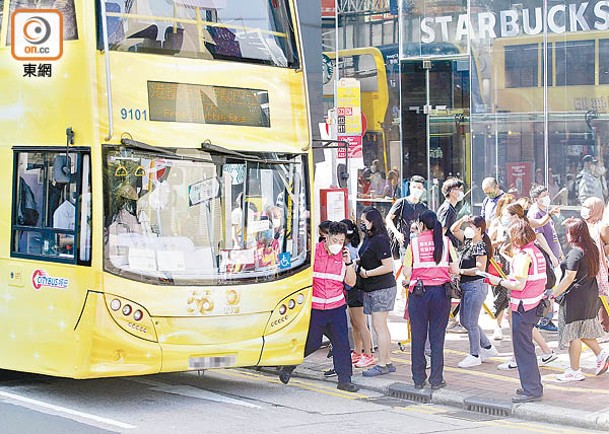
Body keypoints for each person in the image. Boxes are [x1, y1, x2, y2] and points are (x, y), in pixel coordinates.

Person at [278, 222, 360, 392]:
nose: (338, 244)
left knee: (342, 344)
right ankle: (288, 366)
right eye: (335, 240)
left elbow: (351, 282)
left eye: (341, 241)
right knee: (312, 343)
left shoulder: (344, 256)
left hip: (336, 307)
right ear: (327, 237)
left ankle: (345, 380)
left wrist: (348, 263)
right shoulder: (313, 252)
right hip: (315, 308)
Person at [486, 220, 546, 403]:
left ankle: (531, 389)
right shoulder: (536, 252)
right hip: (534, 304)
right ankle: (533, 386)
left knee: (523, 349)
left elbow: (518, 284)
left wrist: (498, 282)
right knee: (527, 347)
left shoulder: (523, 255)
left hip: (522, 306)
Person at [496, 202, 557, 370]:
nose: (505, 218)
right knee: (523, 324)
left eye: (507, 215)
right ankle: (545, 351)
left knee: (519, 323)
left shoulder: (523, 235)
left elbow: (520, 279)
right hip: (527, 286)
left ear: (515, 216)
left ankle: (519, 358)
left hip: (523, 290)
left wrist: (499, 281)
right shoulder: (522, 236)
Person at [403, 210, 458, 389]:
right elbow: (455, 270)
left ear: (421, 225)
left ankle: (418, 379)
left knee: (418, 337)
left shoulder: (414, 243)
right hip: (441, 294)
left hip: (419, 294)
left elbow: (407, 272)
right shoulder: (446, 242)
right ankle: (436, 379)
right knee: (437, 337)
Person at [551, 218, 609, 381]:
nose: (566, 235)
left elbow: (568, 278)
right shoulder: (592, 248)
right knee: (582, 331)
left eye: (568, 232)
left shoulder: (576, 253)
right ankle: (601, 354)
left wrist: (553, 294)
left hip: (576, 298)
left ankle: (574, 371)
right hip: (590, 293)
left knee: (574, 334)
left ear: (574, 235)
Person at [450, 215, 498, 368]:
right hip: (468, 287)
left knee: (470, 322)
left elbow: (479, 269)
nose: (467, 229)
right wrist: (463, 219)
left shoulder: (480, 246)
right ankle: (488, 348)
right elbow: (453, 229)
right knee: (465, 320)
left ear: (479, 229)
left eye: (471, 226)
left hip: (475, 286)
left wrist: (460, 271)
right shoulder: (470, 241)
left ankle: (474, 354)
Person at [357, 207, 397, 376]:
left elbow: (388, 267)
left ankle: (382, 364)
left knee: (379, 326)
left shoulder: (380, 240)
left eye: (364, 221)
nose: (361, 224)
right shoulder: (370, 238)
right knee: (380, 326)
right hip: (373, 288)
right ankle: (386, 361)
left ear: (372, 222)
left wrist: (367, 273)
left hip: (381, 288)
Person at [567, 198, 609, 332]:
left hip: (598, 265)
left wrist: (594, 250)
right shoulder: (584, 224)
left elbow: (607, 245)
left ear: (596, 209)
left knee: (601, 297)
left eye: (588, 207)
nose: (584, 209)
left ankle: (605, 327)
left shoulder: (602, 227)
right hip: (585, 265)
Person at [340, 218, 374, 369]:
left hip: (356, 289)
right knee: (355, 323)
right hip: (352, 290)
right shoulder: (350, 247)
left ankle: (368, 354)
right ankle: (357, 352)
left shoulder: (351, 250)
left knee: (360, 323)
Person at [487, 193, 515, 340]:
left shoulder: (518, 223)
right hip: (500, 262)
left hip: (514, 260)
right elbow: (489, 243)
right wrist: (498, 242)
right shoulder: (497, 222)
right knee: (499, 294)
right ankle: (497, 326)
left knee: (513, 295)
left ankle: (512, 325)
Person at [385, 175, 427, 256]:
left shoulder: (423, 207)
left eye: (419, 187)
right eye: (414, 187)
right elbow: (388, 218)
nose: (416, 190)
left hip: (418, 243)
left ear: (423, 190)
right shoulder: (402, 202)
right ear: (410, 187)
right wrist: (397, 233)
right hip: (403, 242)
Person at [437, 177, 464, 248]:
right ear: (452, 192)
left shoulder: (451, 208)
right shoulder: (447, 209)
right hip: (447, 248)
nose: (461, 192)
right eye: (459, 189)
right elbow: (442, 231)